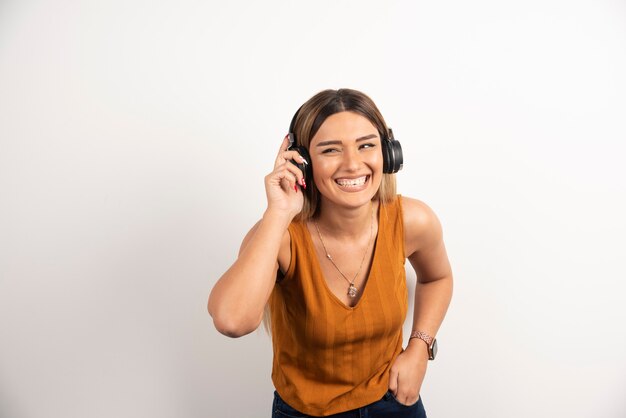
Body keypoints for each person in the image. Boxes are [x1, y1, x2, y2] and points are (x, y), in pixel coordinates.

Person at [208, 88, 453, 417]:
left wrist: (420, 348)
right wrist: (279, 212)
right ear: (303, 162)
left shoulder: (412, 220)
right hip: (305, 411)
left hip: (396, 402)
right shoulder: (280, 236)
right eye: (330, 150)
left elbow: (437, 277)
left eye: (366, 145)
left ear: (388, 153)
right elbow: (232, 321)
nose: (353, 164)